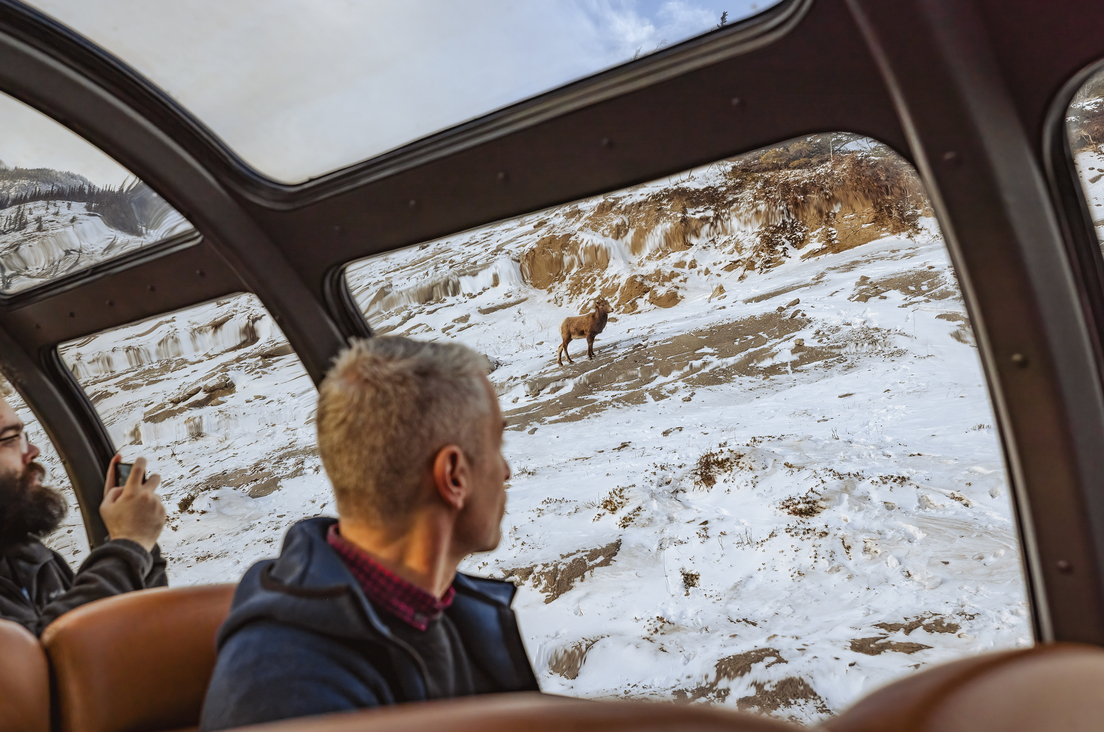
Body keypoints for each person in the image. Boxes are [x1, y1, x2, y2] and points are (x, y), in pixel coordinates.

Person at [200, 337, 539, 731]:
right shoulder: (282, 694)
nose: (506, 471)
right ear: (454, 477)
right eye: (497, 443)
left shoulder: (437, 610)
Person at [0, 395, 168, 636]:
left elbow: (138, 634)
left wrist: (140, 547)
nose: (33, 451)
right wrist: (129, 545)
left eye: (22, 437)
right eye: (9, 440)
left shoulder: (33, 559)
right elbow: (54, 649)